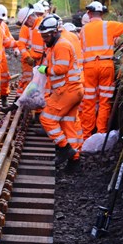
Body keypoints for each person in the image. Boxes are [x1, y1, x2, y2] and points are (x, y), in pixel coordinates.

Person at [79, 1, 123, 140]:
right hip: (106, 66)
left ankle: (87, 135)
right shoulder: (108, 25)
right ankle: (101, 133)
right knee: (104, 101)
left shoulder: (83, 30)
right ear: (102, 14)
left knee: (89, 102)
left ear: (89, 13)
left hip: (89, 67)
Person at [36, 16, 84, 169]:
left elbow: (60, 69)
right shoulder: (57, 44)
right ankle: (74, 160)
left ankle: (64, 148)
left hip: (67, 90)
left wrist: (44, 70)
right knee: (68, 124)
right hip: (74, 89)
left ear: (55, 32)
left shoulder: (61, 45)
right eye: (42, 36)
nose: (44, 39)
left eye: (46, 36)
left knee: (46, 119)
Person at [15, 5, 45, 94]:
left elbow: (39, 52)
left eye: (26, 23)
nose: (26, 26)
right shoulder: (37, 26)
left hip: (42, 64)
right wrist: (28, 56)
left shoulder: (37, 28)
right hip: (39, 64)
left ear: (30, 18)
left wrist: (30, 56)